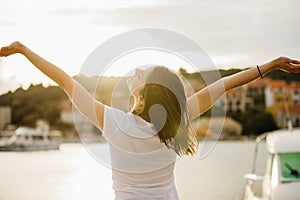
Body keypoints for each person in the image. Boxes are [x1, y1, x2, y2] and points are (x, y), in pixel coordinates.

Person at [0, 41, 299, 199]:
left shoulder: (112, 121)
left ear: (143, 93)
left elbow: (65, 81)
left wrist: (24, 51)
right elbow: (224, 85)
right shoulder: (175, 122)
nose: (135, 74)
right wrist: (268, 65)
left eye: (140, 75)